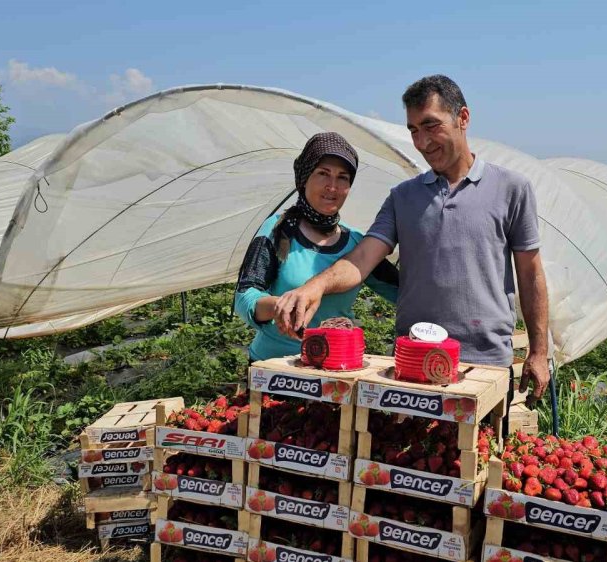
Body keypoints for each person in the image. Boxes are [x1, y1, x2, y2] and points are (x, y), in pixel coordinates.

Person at [274, 75, 550, 404]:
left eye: (431, 125)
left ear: (463, 118)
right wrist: (314, 287)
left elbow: (530, 274)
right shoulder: (403, 197)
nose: (422, 141)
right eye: (413, 130)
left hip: (485, 364)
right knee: (413, 453)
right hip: (412, 364)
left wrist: (538, 351)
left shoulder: (511, 189)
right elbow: (362, 260)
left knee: (480, 454)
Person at [234, 132, 398, 361]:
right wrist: (281, 306)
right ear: (304, 178)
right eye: (323, 174)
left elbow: (403, 292)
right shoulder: (278, 230)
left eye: (343, 177)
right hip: (274, 370)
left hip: (334, 370)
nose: (333, 186)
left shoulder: (357, 245)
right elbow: (244, 295)